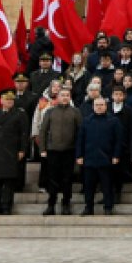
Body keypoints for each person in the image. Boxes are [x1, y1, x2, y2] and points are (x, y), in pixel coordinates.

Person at [0, 89, 30, 216]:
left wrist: (22, 149)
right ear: (1, 101)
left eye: (11, 100)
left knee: (9, 181)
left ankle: (6, 206)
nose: (9, 102)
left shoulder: (20, 114)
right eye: (7, 100)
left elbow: (24, 134)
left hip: (11, 151)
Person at [75, 96, 123, 215]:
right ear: (93, 106)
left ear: (106, 106)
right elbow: (80, 140)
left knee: (107, 186)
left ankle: (108, 207)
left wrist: (116, 155)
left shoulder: (113, 121)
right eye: (97, 105)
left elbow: (118, 140)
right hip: (89, 159)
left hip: (107, 159)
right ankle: (88, 207)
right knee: (89, 187)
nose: (99, 107)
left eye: (101, 105)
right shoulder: (86, 121)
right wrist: (79, 156)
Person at [38, 87, 82, 215]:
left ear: (70, 97)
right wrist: (43, 149)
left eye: (67, 95)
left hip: (69, 151)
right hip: (52, 151)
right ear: (57, 97)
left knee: (67, 179)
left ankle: (66, 204)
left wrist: (79, 151)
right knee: (52, 179)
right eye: (62, 95)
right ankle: (51, 204)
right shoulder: (50, 112)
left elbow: (80, 132)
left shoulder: (75, 112)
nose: (65, 97)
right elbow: (43, 131)